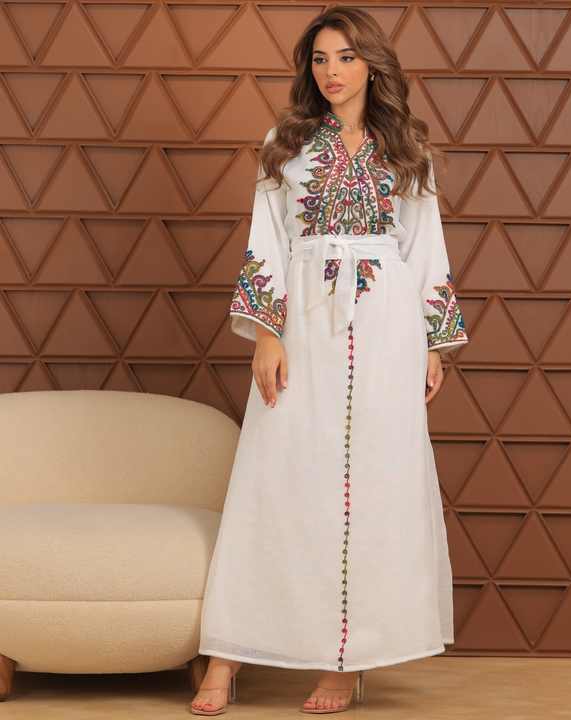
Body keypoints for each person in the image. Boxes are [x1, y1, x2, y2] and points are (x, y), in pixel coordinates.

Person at [191, 4, 469, 716]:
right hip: (305, 322)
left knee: (376, 483)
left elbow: (423, 247)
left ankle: (346, 662)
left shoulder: (407, 148)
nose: (331, 71)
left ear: (372, 64)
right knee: (274, 476)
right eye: (319, 58)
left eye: (345, 57)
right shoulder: (284, 143)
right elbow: (266, 239)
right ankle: (228, 654)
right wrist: (267, 333)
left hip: (386, 328)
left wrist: (434, 344)